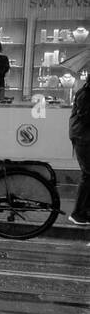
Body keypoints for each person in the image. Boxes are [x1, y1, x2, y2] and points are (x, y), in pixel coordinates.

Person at [68, 72, 90, 227]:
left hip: (84, 137)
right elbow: (86, 117)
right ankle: (78, 213)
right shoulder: (85, 94)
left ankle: (85, 210)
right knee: (88, 174)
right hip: (83, 138)